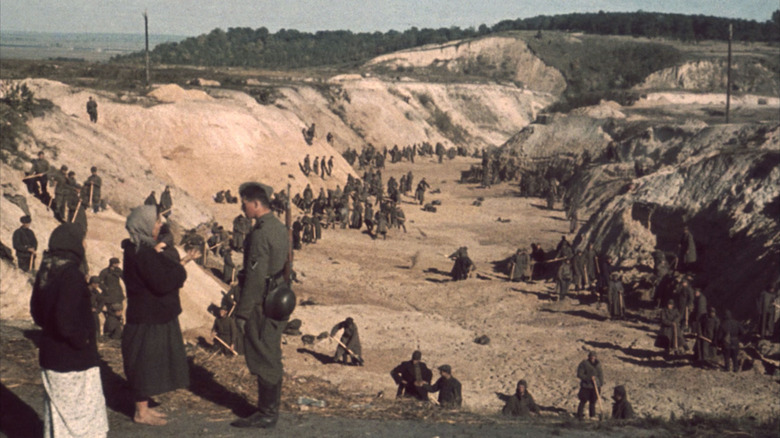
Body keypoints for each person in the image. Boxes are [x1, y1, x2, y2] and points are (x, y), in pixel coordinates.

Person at [121, 205, 201, 426]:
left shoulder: (138, 248)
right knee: (143, 364)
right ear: (145, 225)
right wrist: (181, 269)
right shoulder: (143, 253)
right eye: (156, 222)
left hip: (149, 315)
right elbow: (163, 281)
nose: (159, 225)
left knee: (147, 362)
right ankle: (140, 413)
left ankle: (144, 409)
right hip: (147, 317)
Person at [30, 223, 109, 437]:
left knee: (60, 418)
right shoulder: (71, 275)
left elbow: (37, 314)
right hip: (74, 361)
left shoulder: (46, 270)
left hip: (50, 357)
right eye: (82, 240)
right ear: (73, 243)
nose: (84, 244)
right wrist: (82, 340)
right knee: (82, 421)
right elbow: (66, 322)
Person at [231, 182, 292, 429]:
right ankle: (268, 410)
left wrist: (243, 312)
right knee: (271, 351)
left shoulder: (260, 233)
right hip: (278, 297)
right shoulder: (278, 228)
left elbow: (255, 278)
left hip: (262, 303)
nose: (242, 206)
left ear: (256, 204)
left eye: (244, 201)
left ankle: (267, 413)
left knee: (264, 353)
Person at [576, 351, 603, 420]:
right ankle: (579, 415)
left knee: (593, 401)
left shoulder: (598, 364)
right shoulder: (584, 364)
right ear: (589, 357)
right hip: (586, 386)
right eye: (591, 357)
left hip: (595, 386)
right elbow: (580, 374)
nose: (592, 358)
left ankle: (592, 415)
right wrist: (588, 378)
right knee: (583, 400)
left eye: (594, 357)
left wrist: (600, 383)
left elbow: (600, 375)